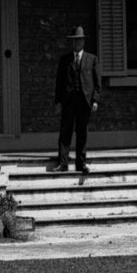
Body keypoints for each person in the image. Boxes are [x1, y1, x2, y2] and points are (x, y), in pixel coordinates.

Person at [49, 25, 100, 174]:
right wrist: (58, 101)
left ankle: (81, 163)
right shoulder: (65, 60)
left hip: (84, 100)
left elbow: (97, 83)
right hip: (68, 101)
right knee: (65, 131)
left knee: (82, 132)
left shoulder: (92, 59)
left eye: (79, 41)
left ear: (83, 42)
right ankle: (63, 163)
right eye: (74, 41)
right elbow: (59, 82)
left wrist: (95, 100)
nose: (76, 43)